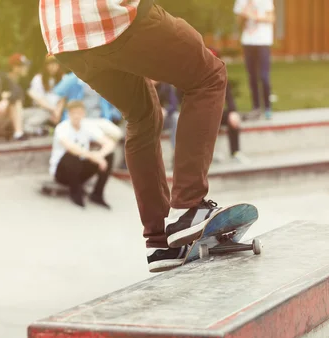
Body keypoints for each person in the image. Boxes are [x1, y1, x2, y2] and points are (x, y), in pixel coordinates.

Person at [41, 1, 227, 272]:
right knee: (209, 75)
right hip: (115, 16)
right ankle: (189, 207)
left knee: (142, 115)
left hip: (64, 37)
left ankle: (160, 239)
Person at [48, 100, 115, 208]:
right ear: (69, 114)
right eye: (74, 113)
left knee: (109, 155)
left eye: (79, 113)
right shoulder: (62, 128)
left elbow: (109, 143)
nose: (77, 116)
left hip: (80, 170)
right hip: (62, 173)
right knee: (72, 155)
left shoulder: (88, 125)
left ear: (84, 113)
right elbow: (71, 148)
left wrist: (100, 155)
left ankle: (97, 194)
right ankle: (75, 193)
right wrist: (94, 157)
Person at [234, 0, 275, 120]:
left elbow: (271, 18)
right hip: (248, 41)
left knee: (264, 76)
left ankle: (267, 107)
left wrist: (254, 17)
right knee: (252, 76)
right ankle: (256, 107)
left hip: (263, 41)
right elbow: (239, 21)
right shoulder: (241, 2)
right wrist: (243, 16)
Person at [23, 55, 63, 135]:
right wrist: (53, 110)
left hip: (58, 112)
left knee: (27, 126)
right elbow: (38, 99)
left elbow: (63, 99)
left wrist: (57, 112)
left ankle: (44, 130)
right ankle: (44, 130)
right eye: (50, 64)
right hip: (41, 110)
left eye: (55, 64)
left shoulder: (64, 78)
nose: (53, 67)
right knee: (20, 117)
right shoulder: (38, 78)